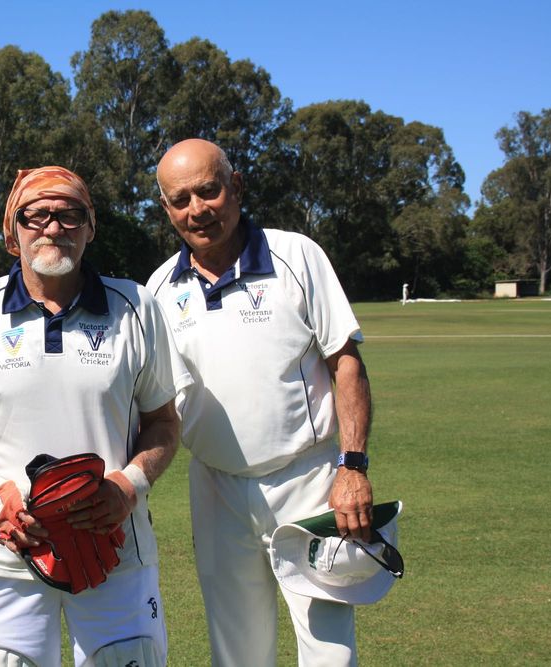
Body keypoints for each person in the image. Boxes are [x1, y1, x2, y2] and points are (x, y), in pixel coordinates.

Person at [0, 166, 190, 667]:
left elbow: (165, 423)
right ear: (12, 231)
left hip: (118, 553)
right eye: (36, 214)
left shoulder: (137, 307)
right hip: (4, 557)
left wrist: (128, 486)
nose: (53, 226)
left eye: (70, 214)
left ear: (90, 227)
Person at [147, 139, 375, 666]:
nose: (197, 210)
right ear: (166, 209)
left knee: (329, 650)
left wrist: (353, 466)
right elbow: (155, 404)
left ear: (237, 185)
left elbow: (346, 362)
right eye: (180, 199)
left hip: (310, 479)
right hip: (216, 487)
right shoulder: (158, 287)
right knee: (238, 652)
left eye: (209, 190)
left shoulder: (296, 255)